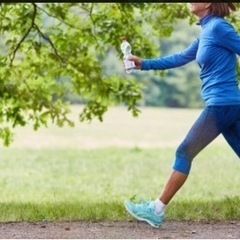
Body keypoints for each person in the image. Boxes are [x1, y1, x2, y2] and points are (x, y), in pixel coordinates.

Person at [124, 2, 240, 228]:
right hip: (229, 105)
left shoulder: (219, 28)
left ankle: (156, 210)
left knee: (184, 151)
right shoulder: (207, 31)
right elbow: (179, 58)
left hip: (221, 104)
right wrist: (143, 64)